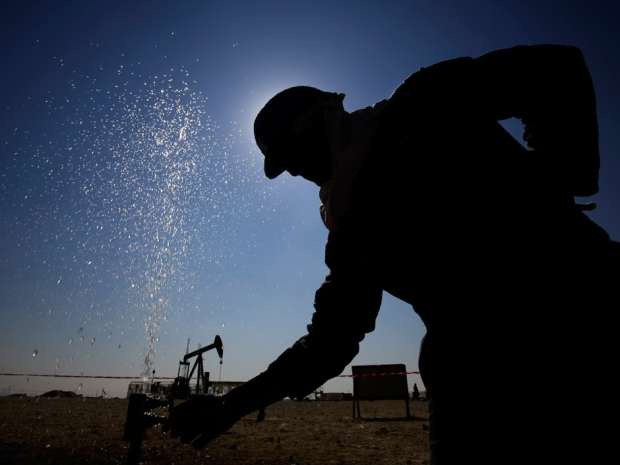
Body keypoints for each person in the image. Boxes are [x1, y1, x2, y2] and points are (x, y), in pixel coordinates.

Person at [169, 44, 618, 464]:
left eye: (293, 153)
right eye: (286, 165)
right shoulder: (351, 233)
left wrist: (562, 179)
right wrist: (231, 406)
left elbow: (557, 69)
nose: (296, 172)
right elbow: (328, 345)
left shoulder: (421, 105)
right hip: (475, 378)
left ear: (321, 119)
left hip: (586, 320)